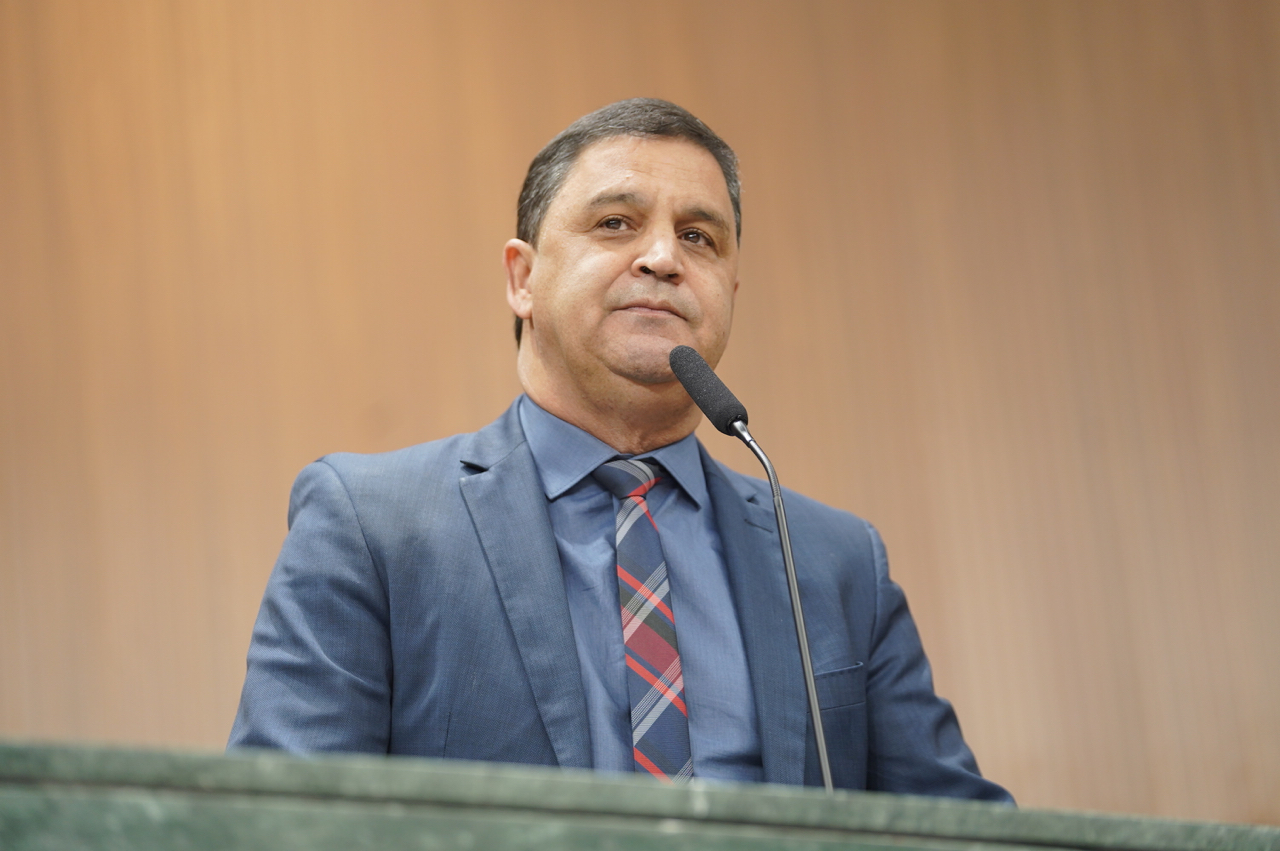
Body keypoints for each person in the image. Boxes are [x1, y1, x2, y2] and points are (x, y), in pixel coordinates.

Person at [229, 98, 1012, 801]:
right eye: (615, 224)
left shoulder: (837, 563)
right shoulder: (372, 525)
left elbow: (959, 827)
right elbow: (283, 819)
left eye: (699, 238)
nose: (664, 258)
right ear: (522, 278)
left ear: (730, 293)